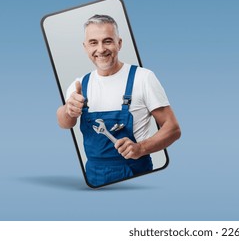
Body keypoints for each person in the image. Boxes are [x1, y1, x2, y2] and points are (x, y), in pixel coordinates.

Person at [56, 14, 181, 187]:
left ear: (119, 43)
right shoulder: (80, 84)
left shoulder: (143, 78)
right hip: (93, 174)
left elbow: (173, 128)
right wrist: (68, 110)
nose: (100, 49)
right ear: (85, 47)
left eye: (107, 41)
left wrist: (142, 148)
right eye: (93, 42)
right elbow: (64, 123)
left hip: (135, 172)